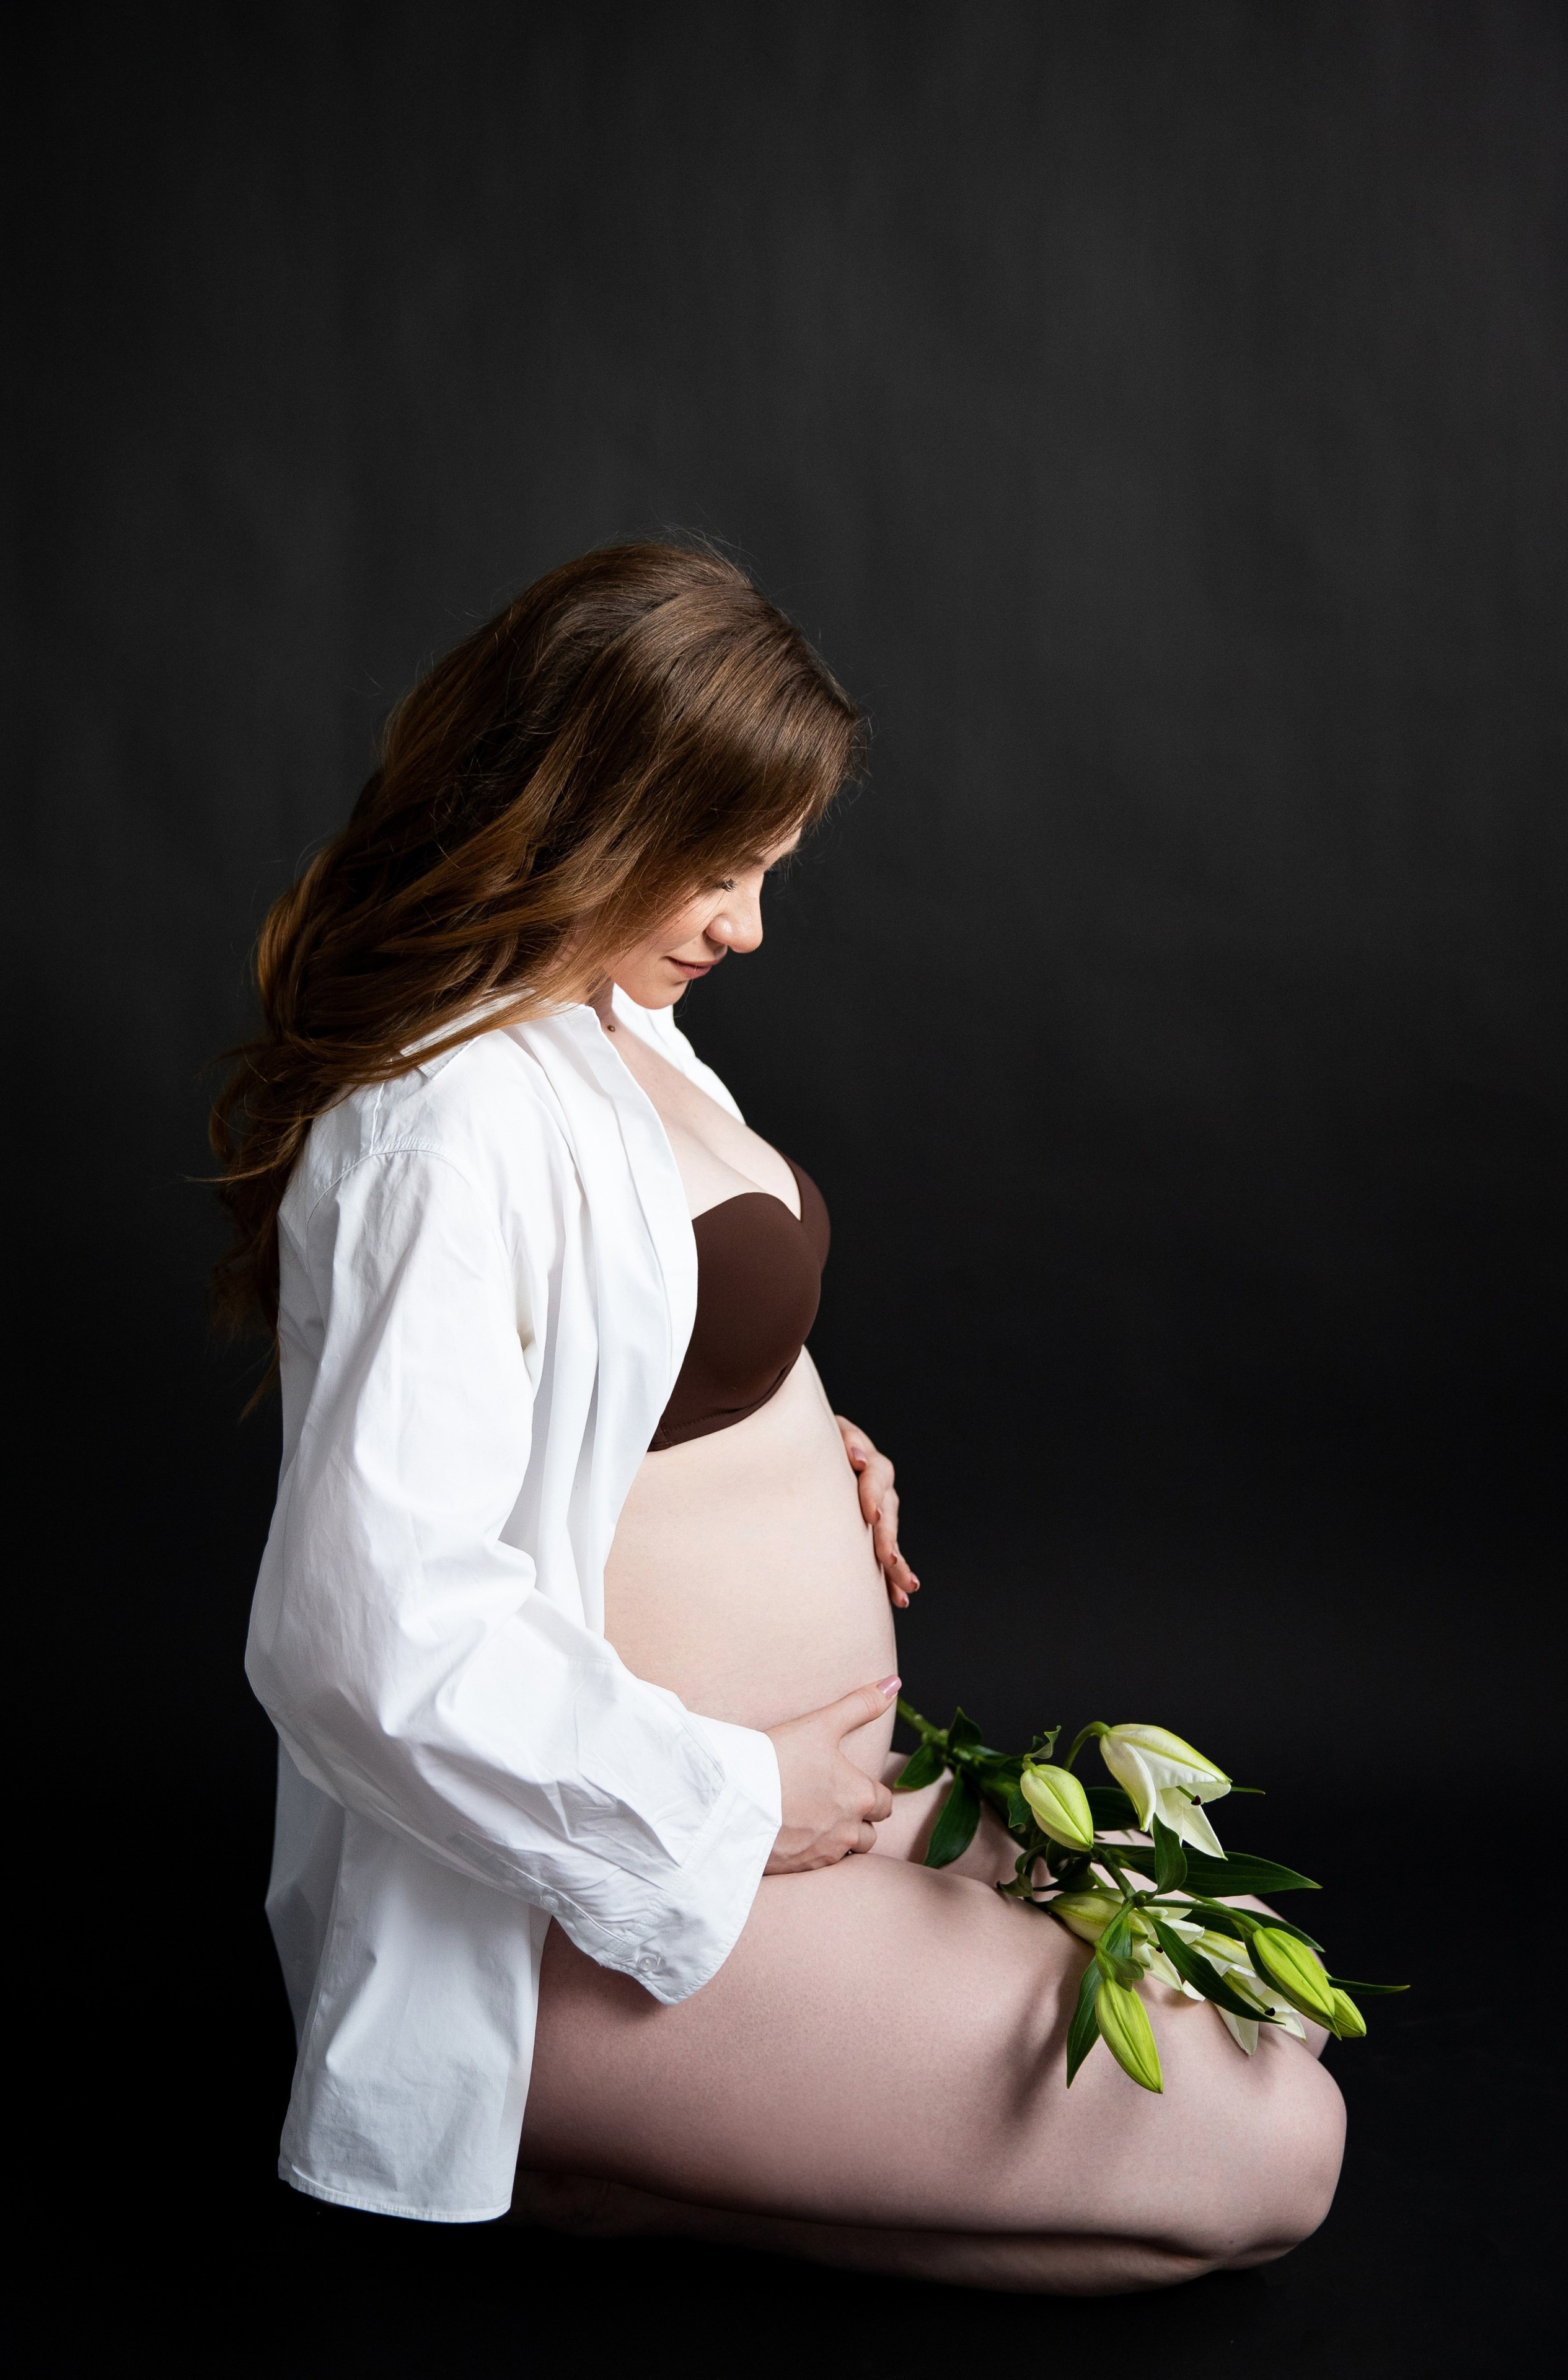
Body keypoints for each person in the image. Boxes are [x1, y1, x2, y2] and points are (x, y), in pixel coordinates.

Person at [215, 541, 1344, 2293]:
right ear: (583, 814)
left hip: (800, 1811)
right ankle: (574, 2137)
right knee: (1274, 2150)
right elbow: (361, 1637)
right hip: (623, 1895)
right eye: (724, 871)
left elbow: (627, 1345)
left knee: (1252, 1982)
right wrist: (728, 1794)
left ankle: (671, 2148)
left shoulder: (613, 1026)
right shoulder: (434, 1123)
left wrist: (784, 1434)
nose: (748, 925)